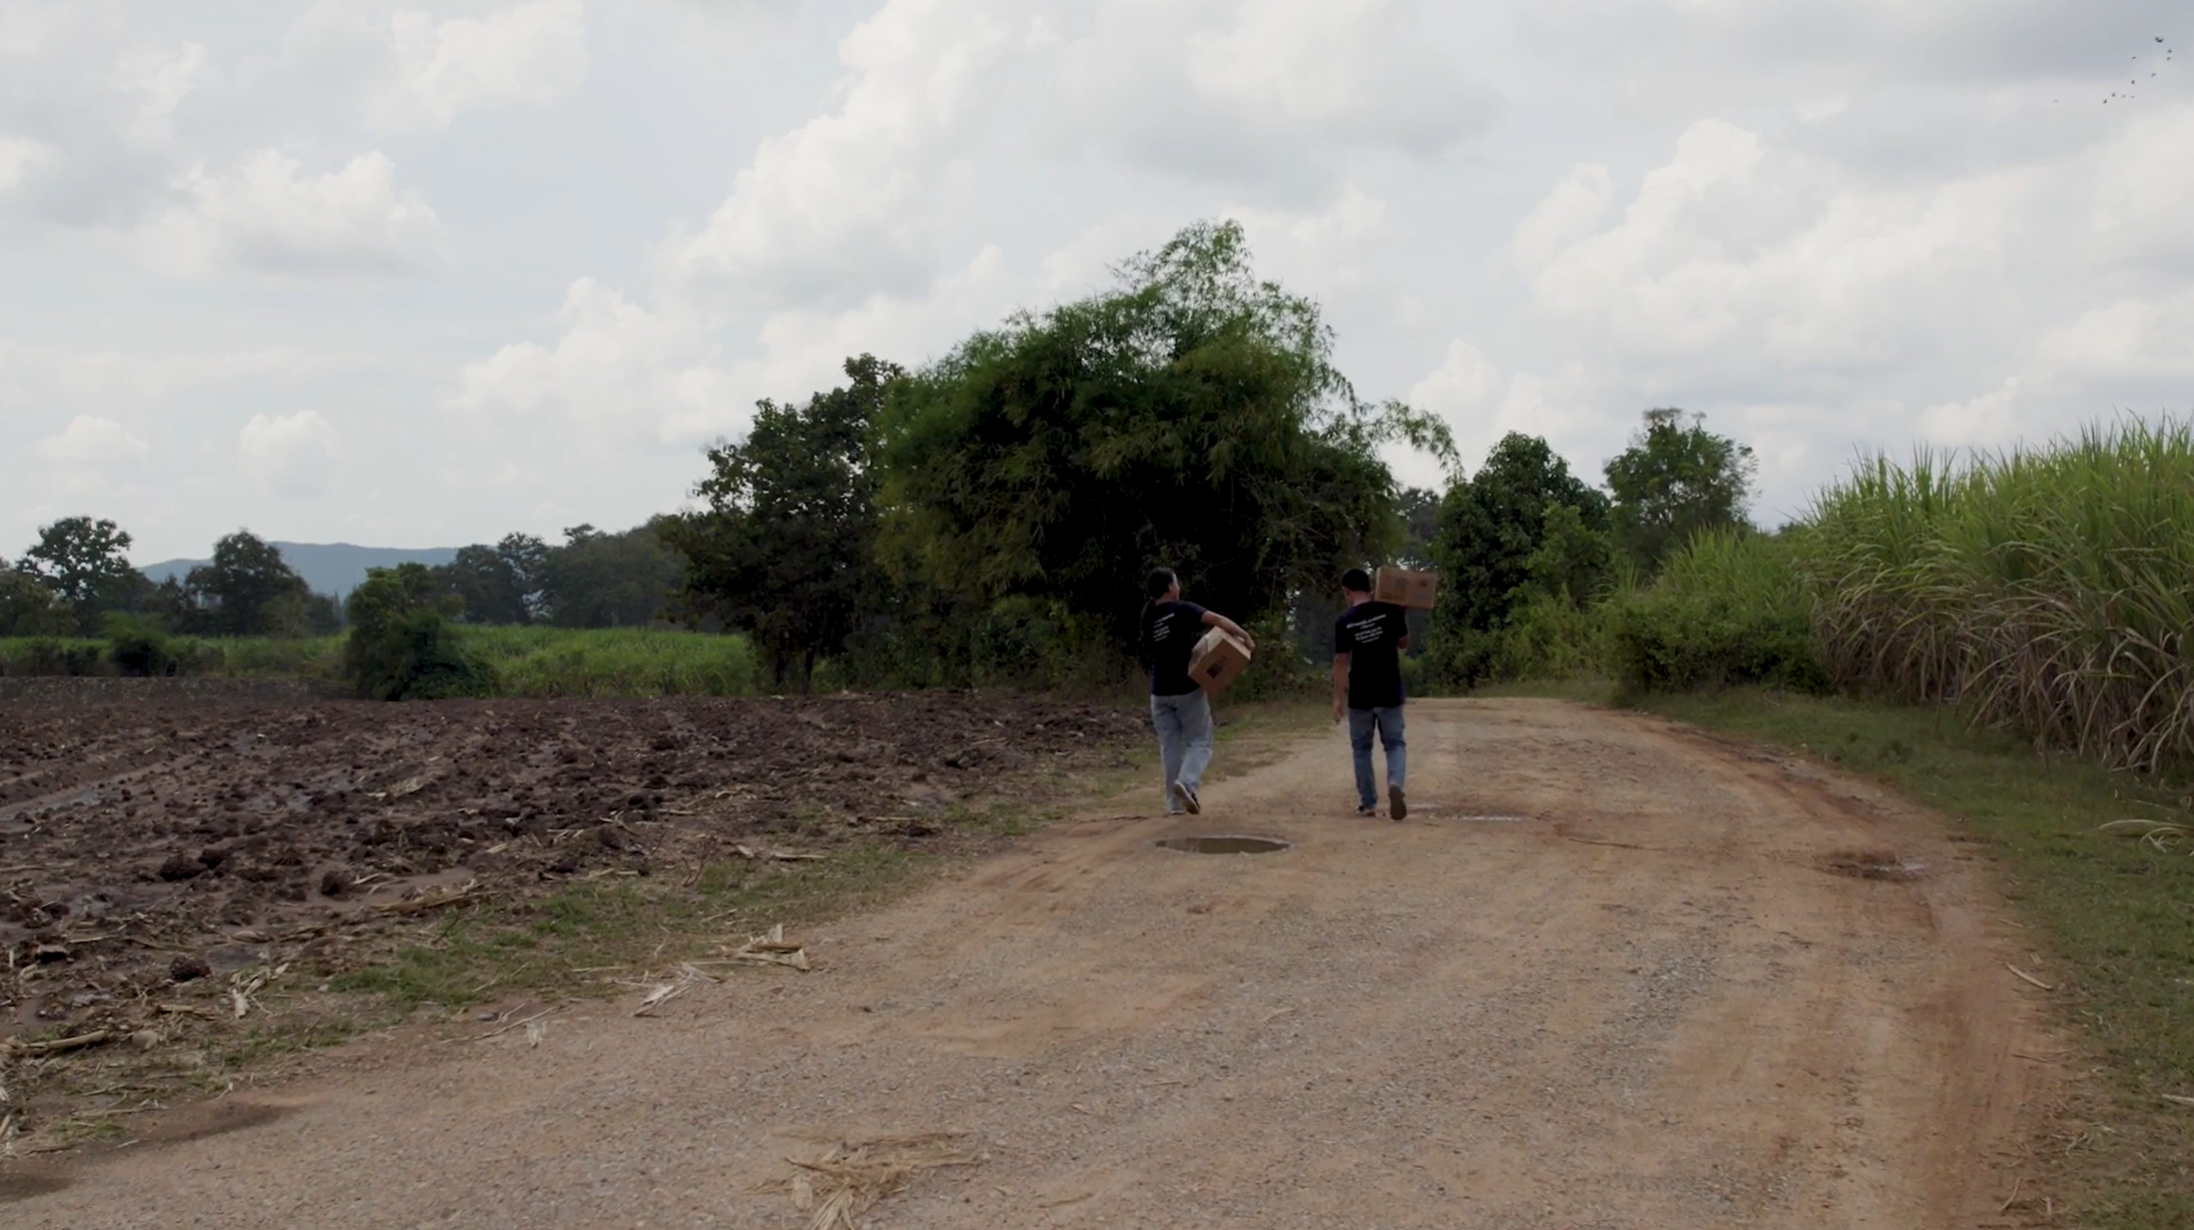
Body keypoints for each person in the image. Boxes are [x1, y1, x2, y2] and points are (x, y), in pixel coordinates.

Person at [1138, 567, 1255, 816]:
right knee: (1201, 741)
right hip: (1187, 690)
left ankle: (1174, 804)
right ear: (1170, 587)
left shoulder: (1149, 618)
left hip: (1158, 693)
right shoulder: (1182, 609)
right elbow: (1220, 621)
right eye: (1177, 582)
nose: (1178, 586)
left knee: (1169, 747)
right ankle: (1188, 783)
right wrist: (1245, 637)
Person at [1332, 567, 1409, 820]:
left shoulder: (1344, 621)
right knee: (1395, 743)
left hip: (1361, 694)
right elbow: (1402, 642)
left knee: (1361, 748)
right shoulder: (1389, 610)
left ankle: (1368, 804)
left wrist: (1337, 699)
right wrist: (1402, 615)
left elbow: (1341, 661)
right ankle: (1395, 783)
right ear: (1369, 587)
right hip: (1389, 690)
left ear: (1347, 591)